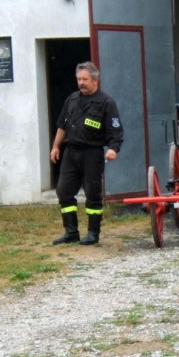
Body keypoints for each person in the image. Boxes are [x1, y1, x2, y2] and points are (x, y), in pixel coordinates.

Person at [50, 62, 124, 245]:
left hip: (92, 154)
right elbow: (62, 125)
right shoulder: (72, 99)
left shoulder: (106, 103)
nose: (81, 83)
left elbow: (115, 131)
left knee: (93, 193)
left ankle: (93, 233)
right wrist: (55, 147)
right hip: (70, 153)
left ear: (95, 81)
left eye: (85, 79)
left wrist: (113, 149)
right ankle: (71, 232)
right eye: (79, 79)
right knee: (63, 191)